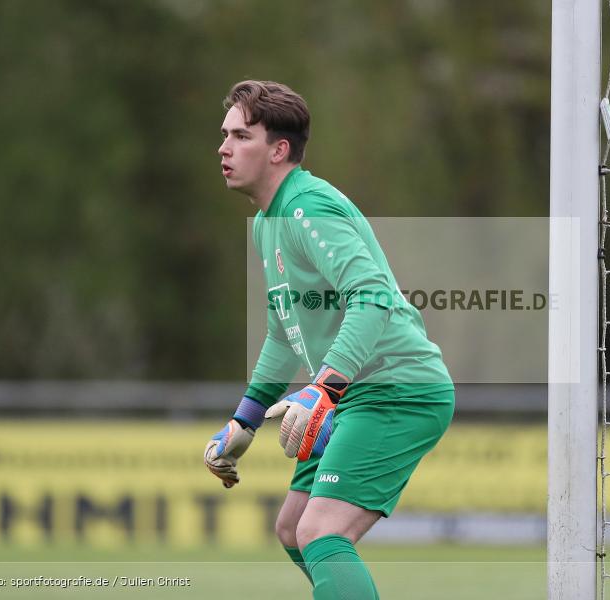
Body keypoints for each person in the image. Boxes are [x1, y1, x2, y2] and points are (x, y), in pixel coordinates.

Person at [203, 80, 455, 600]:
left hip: (398, 391)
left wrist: (325, 388)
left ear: (278, 150)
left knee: (322, 531)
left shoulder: (308, 209)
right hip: (355, 395)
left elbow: (373, 296)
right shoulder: (265, 223)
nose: (223, 148)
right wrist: (245, 419)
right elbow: (283, 330)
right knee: (295, 530)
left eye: (240, 136)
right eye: (224, 135)